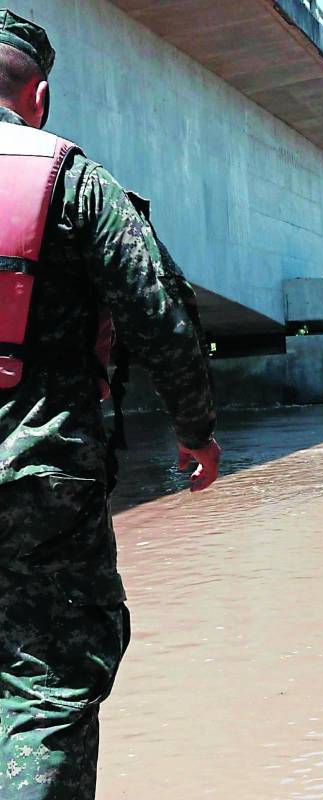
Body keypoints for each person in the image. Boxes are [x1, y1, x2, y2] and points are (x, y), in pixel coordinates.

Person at [0, 11, 221, 798]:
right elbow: (161, 319)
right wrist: (196, 432)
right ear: (42, 95)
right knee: (46, 685)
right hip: (41, 475)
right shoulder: (76, 185)